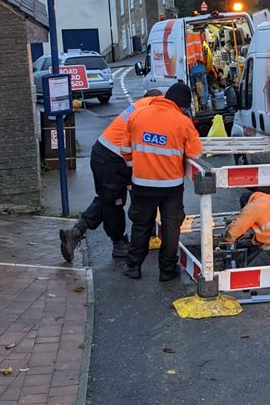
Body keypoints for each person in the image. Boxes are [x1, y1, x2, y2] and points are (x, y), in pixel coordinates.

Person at [59, 88, 163, 263]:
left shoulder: (140, 105)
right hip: (111, 158)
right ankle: (118, 244)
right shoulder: (150, 109)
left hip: (104, 154)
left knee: (107, 199)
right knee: (114, 202)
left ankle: (76, 232)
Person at [123, 83, 203, 281]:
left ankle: (133, 266)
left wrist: (137, 167)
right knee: (171, 227)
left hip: (142, 183)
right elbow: (196, 153)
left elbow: (125, 150)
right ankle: (167, 270)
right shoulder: (182, 122)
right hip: (170, 186)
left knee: (141, 225)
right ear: (182, 105)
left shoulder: (138, 115)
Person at [222, 191, 270, 267]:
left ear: (246, 204)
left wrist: (226, 239)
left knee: (248, 273)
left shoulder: (253, 206)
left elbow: (234, 231)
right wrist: (250, 235)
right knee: (250, 259)